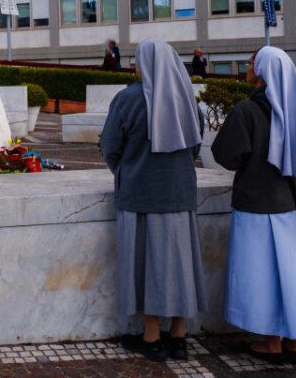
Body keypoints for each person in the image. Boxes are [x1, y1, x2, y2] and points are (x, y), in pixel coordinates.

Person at [101, 39, 206, 362]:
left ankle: (150, 337)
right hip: (180, 195)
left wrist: (126, 170)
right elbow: (195, 147)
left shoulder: (128, 99)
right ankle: (178, 336)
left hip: (140, 195)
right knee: (181, 263)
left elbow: (110, 146)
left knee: (144, 264)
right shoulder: (188, 100)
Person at [211, 47, 296, 366]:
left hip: (255, 205)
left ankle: (272, 344)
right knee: (291, 274)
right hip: (290, 205)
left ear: (262, 72)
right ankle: (293, 342)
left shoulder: (247, 111)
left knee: (262, 276)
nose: (248, 66)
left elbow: (225, 155)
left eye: (251, 62)